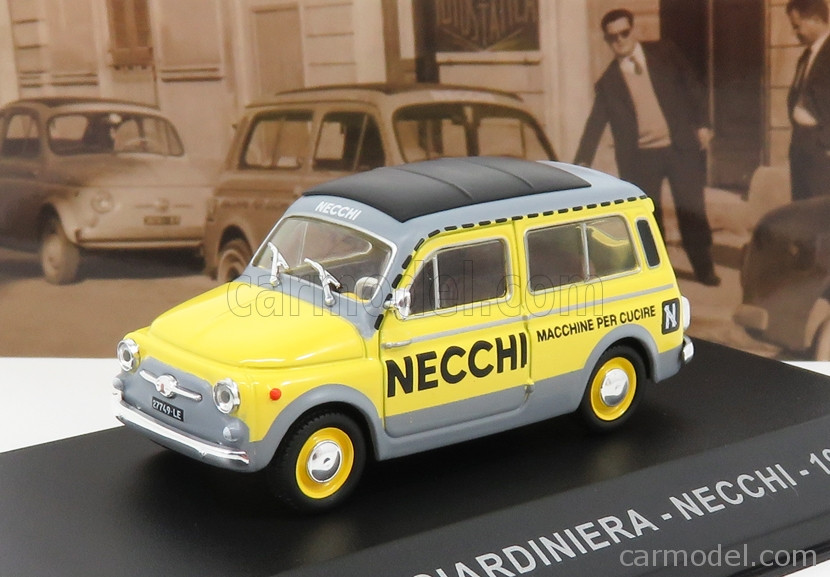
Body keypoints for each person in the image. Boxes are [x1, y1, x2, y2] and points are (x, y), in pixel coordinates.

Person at [574, 8, 720, 286]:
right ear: (607, 41)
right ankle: (660, 273)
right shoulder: (608, 82)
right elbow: (595, 123)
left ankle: (705, 269)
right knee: (649, 216)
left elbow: (692, 85)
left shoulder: (665, 53)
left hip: (679, 147)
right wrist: (581, 161)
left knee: (691, 209)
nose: (620, 40)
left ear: (635, 31)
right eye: (613, 37)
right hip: (641, 157)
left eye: (624, 33)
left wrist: (703, 123)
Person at [786, 0, 830, 201]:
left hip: (822, 150)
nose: (794, 33)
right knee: (802, 211)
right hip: (802, 147)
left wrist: (826, 143)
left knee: (821, 211)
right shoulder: (806, 56)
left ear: (816, 19)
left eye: (797, 26)